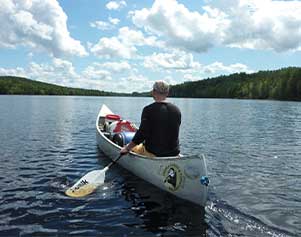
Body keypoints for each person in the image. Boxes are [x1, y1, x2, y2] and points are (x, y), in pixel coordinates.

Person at [120, 80, 181, 157]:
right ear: (167, 93)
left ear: (153, 92)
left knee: (132, 147)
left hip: (154, 154)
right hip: (174, 153)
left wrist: (127, 148)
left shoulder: (148, 110)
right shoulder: (176, 110)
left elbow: (142, 134)